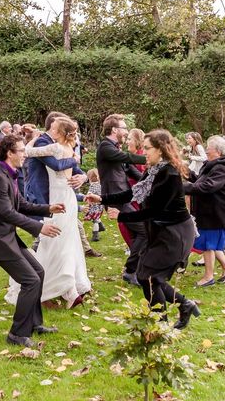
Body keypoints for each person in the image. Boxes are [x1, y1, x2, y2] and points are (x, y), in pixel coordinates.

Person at [88, 130, 200, 329]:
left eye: (148, 148)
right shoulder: (154, 170)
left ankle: (162, 323)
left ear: (161, 149)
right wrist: (103, 199)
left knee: (147, 277)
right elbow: (133, 192)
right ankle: (181, 307)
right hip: (161, 230)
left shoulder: (170, 173)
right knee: (149, 276)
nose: (144, 152)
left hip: (175, 233)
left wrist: (122, 216)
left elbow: (154, 210)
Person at [0, 134, 64, 348]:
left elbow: (21, 204)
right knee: (30, 280)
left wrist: (47, 209)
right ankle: (17, 334)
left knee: (38, 273)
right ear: (10, 153)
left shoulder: (9, 174)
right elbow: (8, 213)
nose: (25, 155)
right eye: (21, 151)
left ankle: (35, 324)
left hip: (8, 237)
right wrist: (39, 227)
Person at [6, 118, 92, 309]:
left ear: (61, 132)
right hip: (58, 196)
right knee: (62, 239)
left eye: (54, 128)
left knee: (58, 240)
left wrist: (83, 175)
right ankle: (69, 289)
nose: (50, 130)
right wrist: (74, 159)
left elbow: (32, 154)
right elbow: (62, 164)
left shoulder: (54, 146)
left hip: (60, 196)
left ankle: (65, 288)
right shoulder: (64, 146)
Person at [96, 114, 147, 286]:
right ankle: (132, 271)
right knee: (143, 231)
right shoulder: (105, 147)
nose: (126, 131)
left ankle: (136, 270)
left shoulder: (115, 148)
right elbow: (128, 158)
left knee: (138, 233)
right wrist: (150, 158)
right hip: (116, 200)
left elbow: (132, 171)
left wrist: (152, 181)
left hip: (124, 197)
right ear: (114, 129)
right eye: (124, 128)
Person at [185, 135, 225, 287]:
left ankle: (209, 277)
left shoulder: (222, 167)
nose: (207, 150)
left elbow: (207, 187)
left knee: (208, 244)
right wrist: (186, 171)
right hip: (210, 212)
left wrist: (181, 188)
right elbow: (199, 181)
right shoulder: (213, 165)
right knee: (208, 242)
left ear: (217, 151)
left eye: (209, 147)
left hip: (218, 213)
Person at [84, 169, 105, 242]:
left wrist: (86, 198)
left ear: (90, 178)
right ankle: (101, 226)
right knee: (97, 217)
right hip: (100, 206)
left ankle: (95, 235)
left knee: (95, 220)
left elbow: (89, 195)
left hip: (94, 206)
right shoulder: (100, 185)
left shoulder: (92, 186)